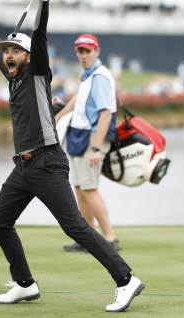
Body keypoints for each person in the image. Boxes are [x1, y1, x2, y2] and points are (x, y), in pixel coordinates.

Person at [0, 0, 145, 313]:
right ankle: (25, 284)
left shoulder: (36, 74)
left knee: (75, 227)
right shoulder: (13, 76)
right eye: (7, 53)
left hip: (48, 162)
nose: (8, 56)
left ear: (28, 57)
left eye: (15, 52)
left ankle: (126, 280)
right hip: (23, 167)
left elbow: (40, 34)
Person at [55, 34, 122, 253]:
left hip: (93, 137)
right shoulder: (87, 74)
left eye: (88, 51)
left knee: (89, 188)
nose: (83, 55)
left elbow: (105, 114)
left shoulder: (101, 76)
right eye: (80, 52)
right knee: (79, 188)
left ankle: (110, 238)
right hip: (79, 134)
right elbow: (77, 99)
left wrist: (95, 148)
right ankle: (88, 237)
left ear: (97, 51)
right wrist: (57, 116)